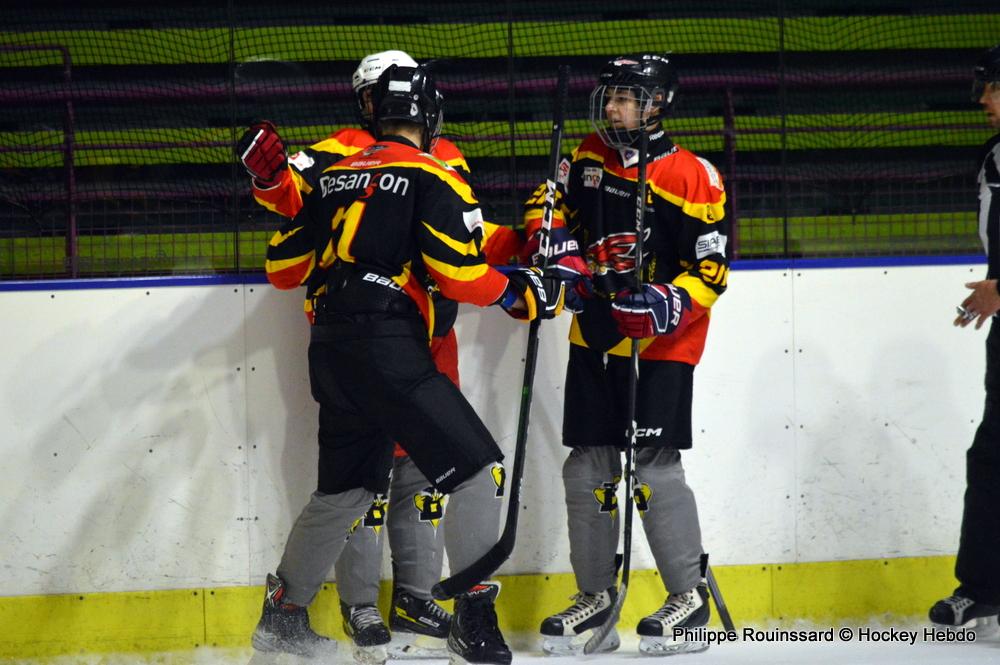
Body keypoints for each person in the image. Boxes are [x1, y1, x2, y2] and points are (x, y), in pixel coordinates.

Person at [248, 63, 565, 665]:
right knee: (479, 471)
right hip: (387, 345)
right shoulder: (432, 172)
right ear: (430, 117)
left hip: (331, 348)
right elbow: (459, 273)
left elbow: (282, 269)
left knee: (344, 491)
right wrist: (522, 291)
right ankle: (473, 619)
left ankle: (282, 618)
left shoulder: (332, 177)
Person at [522, 54, 728, 656]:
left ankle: (688, 600)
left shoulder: (693, 176)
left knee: (653, 469)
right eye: (608, 97)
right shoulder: (588, 155)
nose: (610, 108)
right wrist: (553, 240)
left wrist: (668, 301)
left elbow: (712, 271)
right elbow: (548, 207)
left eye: (623, 99)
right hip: (594, 332)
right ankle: (595, 598)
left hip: (662, 344)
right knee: (586, 467)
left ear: (656, 105)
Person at [928, 43, 1000, 628]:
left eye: (993, 88)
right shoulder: (995, 152)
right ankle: (983, 587)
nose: (983, 99)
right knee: (992, 454)